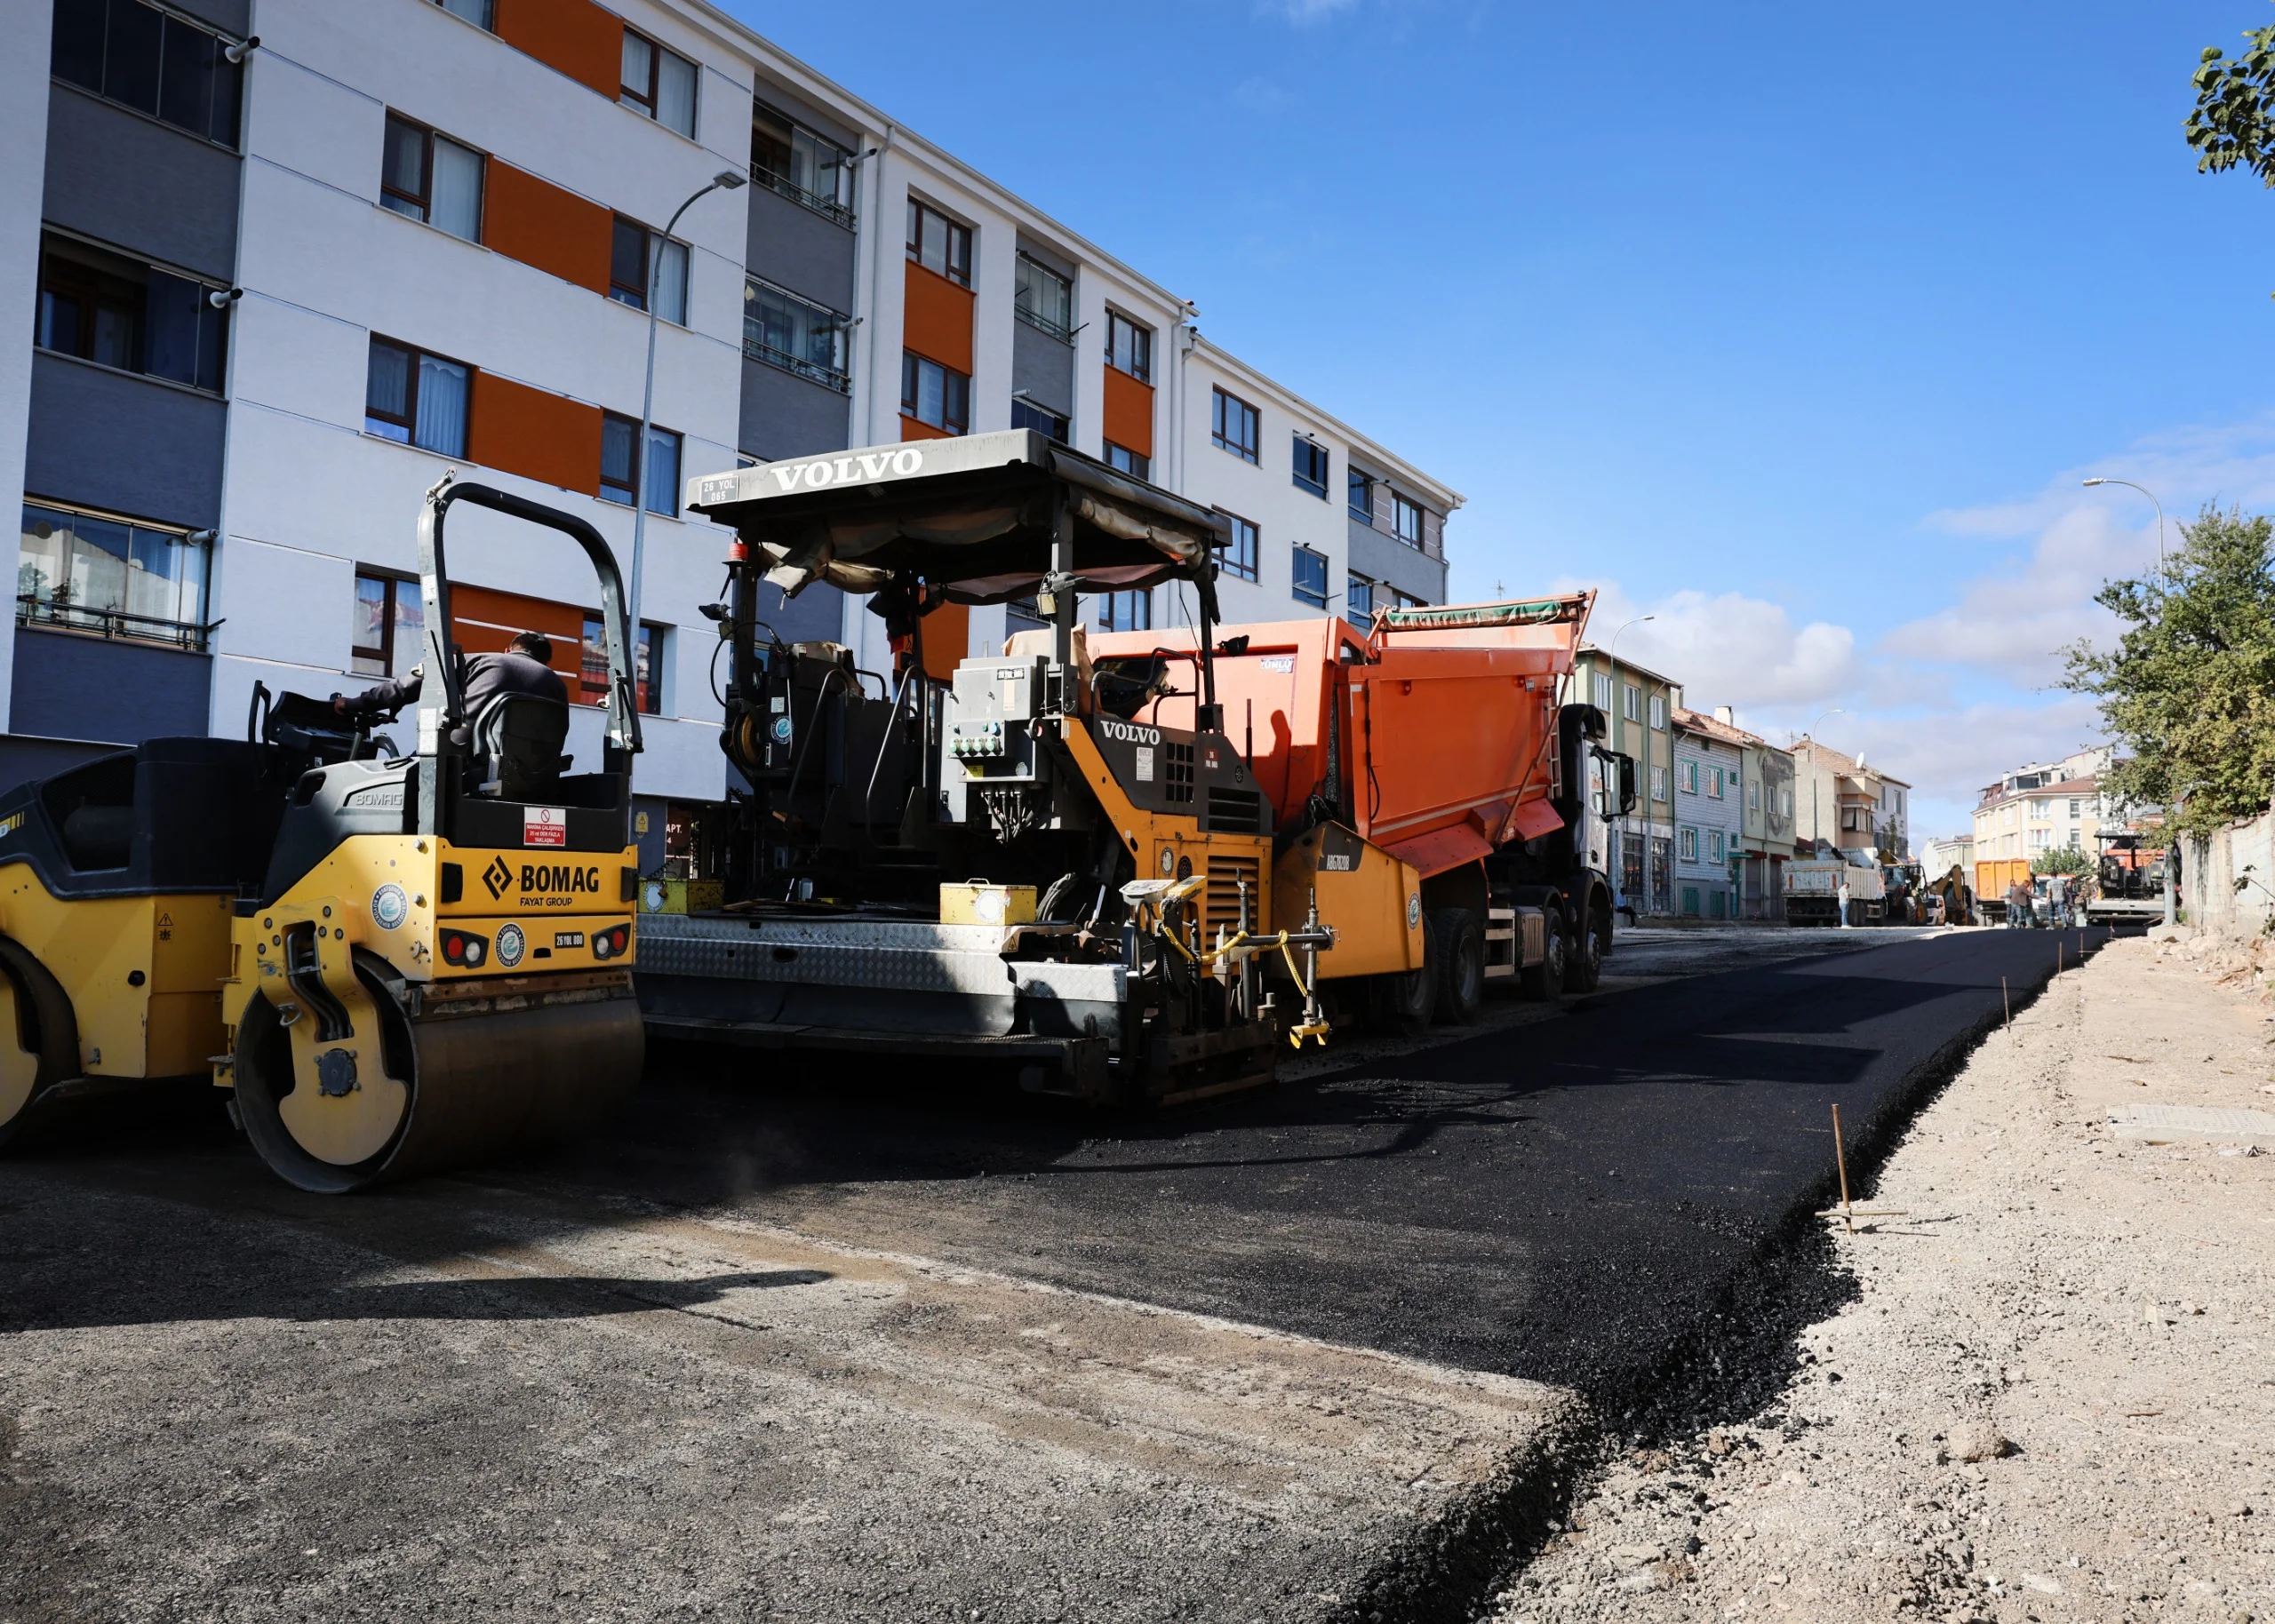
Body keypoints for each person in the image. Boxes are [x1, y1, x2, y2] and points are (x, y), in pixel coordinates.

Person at [334, 630, 569, 720]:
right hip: (534, 773)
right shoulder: (557, 684)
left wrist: (357, 703)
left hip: (466, 761)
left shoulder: (481, 661)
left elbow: (408, 686)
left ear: (508, 650)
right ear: (545, 662)